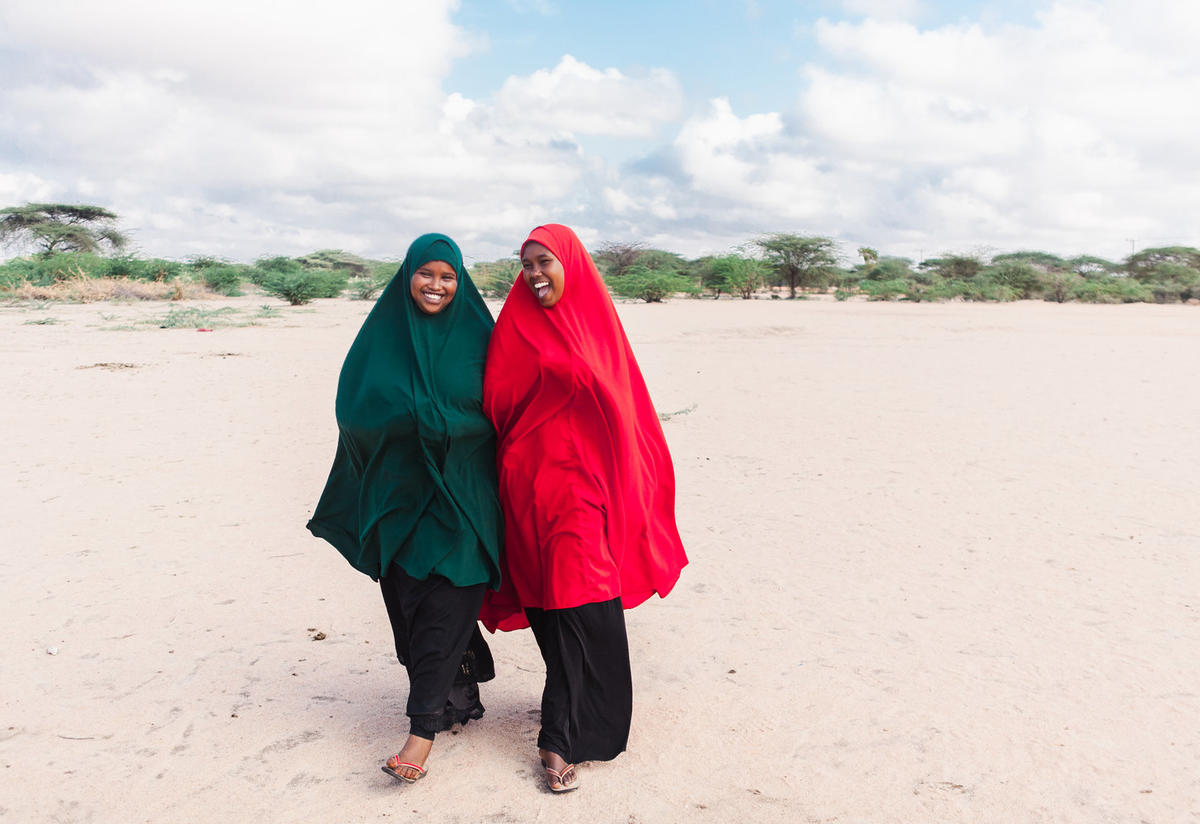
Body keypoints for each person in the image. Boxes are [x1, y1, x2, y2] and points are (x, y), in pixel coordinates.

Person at [479, 223, 688, 793]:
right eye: (526, 264)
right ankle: (569, 716)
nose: (534, 273)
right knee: (550, 607)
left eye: (544, 261)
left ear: (570, 263)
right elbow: (494, 402)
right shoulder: (514, 326)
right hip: (526, 489)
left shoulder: (597, 325)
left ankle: (560, 737)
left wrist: (635, 480)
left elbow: (627, 404)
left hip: (582, 494)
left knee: (585, 601)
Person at [307, 233, 502, 784]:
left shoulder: (482, 339)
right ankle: (459, 692)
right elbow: (354, 412)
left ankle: (421, 735)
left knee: (450, 601)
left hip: (465, 501)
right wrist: (407, 429)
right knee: (412, 610)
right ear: (407, 276)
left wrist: (449, 429)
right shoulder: (382, 338)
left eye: (448, 276)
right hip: (401, 502)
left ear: (461, 281)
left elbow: (505, 408)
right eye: (426, 273)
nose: (436, 285)